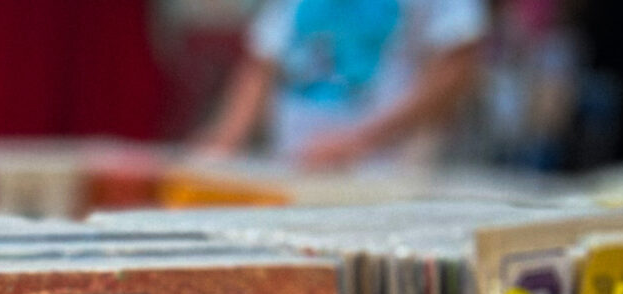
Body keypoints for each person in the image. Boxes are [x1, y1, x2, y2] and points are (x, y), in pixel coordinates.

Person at [195, 0, 489, 168]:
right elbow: (262, 64)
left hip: (383, 181)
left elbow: (456, 68)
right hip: (293, 172)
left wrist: (361, 140)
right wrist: (219, 147)